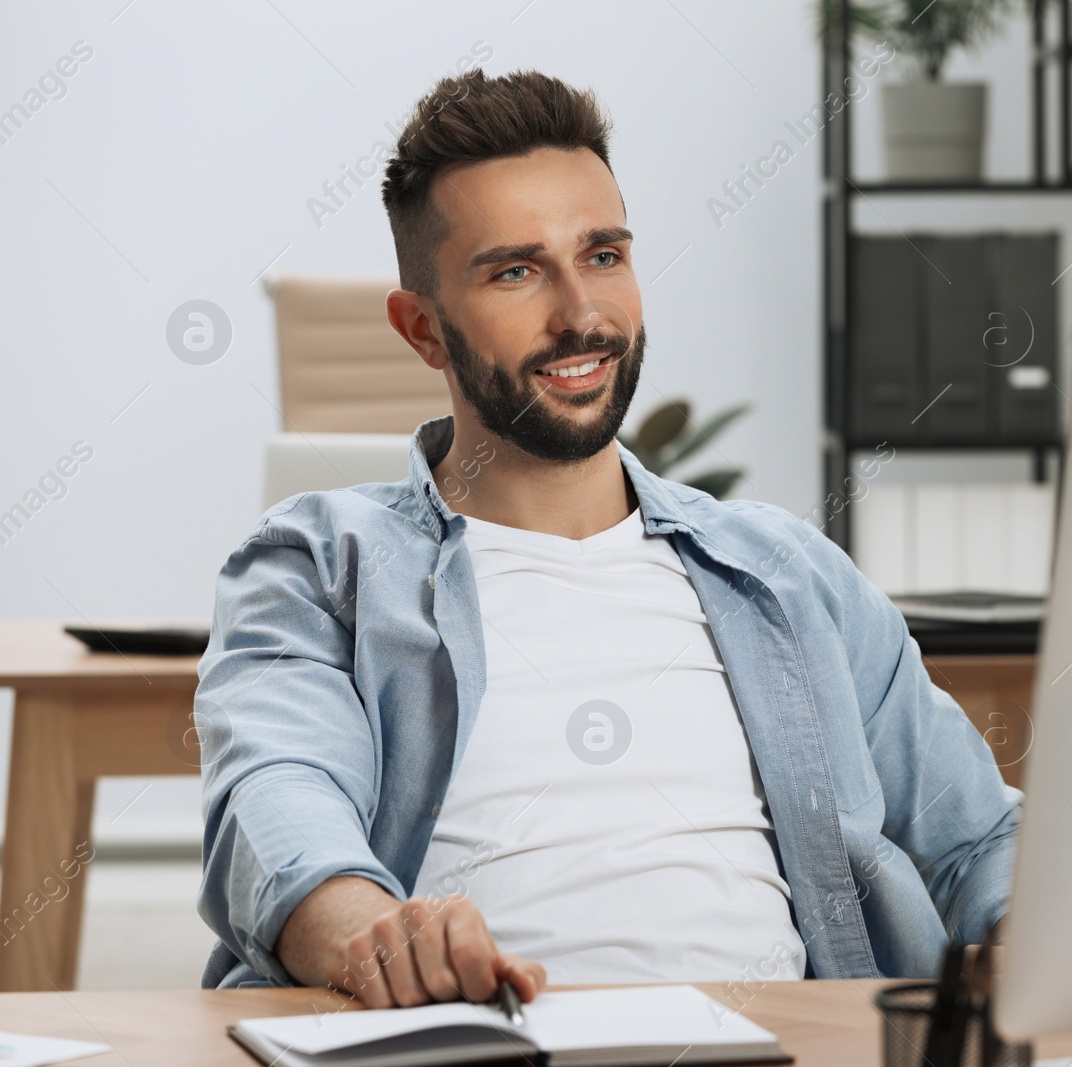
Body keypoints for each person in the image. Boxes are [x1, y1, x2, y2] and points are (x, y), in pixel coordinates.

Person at [195, 68, 1021, 1008]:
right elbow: (276, 808)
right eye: (515, 270)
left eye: (603, 255)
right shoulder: (318, 564)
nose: (581, 314)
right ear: (422, 329)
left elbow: (983, 839)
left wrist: (1028, 934)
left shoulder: (783, 570)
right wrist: (377, 937)